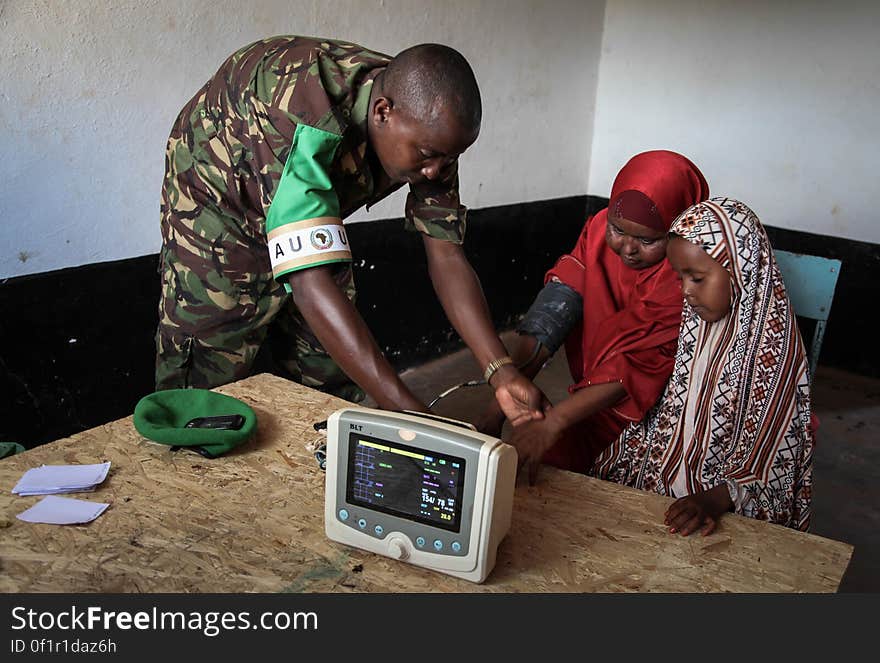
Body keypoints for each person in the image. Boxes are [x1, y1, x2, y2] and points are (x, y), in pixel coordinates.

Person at [155, 35, 542, 422]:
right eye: (428, 157)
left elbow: (446, 254)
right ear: (382, 112)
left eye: (448, 160)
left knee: (331, 370)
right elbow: (309, 281)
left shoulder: (429, 128)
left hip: (299, 195)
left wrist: (501, 370)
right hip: (219, 203)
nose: (434, 172)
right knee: (209, 371)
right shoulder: (304, 108)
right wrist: (416, 416)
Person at [479, 150, 709, 482]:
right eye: (618, 230)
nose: (627, 249)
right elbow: (560, 305)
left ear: (678, 229)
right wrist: (500, 400)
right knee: (531, 469)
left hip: (661, 419)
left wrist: (556, 421)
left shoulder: (687, 271)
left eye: (647, 240)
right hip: (596, 402)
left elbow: (636, 367)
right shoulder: (600, 229)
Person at [592, 198, 814, 535]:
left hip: (723, 497)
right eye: (680, 278)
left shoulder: (771, 349)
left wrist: (713, 499)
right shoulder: (695, 327)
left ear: (741, 273)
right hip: (670, 472)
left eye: (696, 278)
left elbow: (772, 462)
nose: (685, 292)